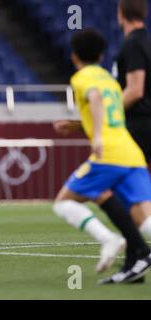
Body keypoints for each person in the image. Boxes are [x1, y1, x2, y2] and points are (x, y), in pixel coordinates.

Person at [53, 29, 151, 284]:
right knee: (143, 219)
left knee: (63, 202)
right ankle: (138, 255)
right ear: (102, 55)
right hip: (132, 153)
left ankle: (109, 240)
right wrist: (76, 125)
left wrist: (95, 136)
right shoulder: (110, 78)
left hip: (108, 154)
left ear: (75, 56)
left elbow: (94, 98)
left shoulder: (82, 77)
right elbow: (108, 110)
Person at [115, 0, 151, 164]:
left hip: (139, 127)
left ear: (121, 13)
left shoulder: (133, 44)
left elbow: (135, 90)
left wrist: (109, 111)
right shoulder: (147, 41)